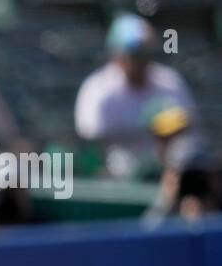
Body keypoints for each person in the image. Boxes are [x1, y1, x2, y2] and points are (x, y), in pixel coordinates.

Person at [75, 14, 197, 176]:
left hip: (166, 173)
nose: (141, 60)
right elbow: (90, 138)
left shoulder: (168, 81)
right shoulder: (98, 90)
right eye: (135, 54)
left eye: (145, 53)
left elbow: (189, 124)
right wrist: (147, 129)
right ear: (117, 54)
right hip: (113, 177)